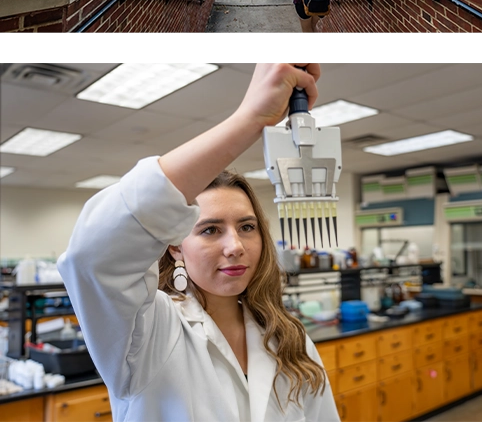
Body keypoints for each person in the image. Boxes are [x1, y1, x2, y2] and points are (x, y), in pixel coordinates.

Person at [57, 63, 340, 422]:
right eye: (210, 230)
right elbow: (93, 256)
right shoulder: (149, 333)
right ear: (175, 246)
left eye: (247, 227)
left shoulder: (289, 338)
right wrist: (249, 120)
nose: (235, 245)